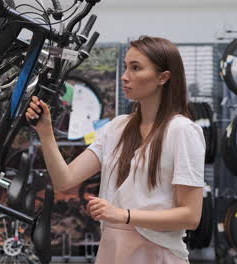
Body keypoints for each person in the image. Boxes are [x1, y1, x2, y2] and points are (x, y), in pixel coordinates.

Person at [25, 36, 205, 263]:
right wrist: (46, 132)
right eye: (126, 67)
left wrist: (123, 215)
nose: (125, 76)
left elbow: (190, 216)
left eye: (136, 68)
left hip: (157, 253)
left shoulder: (182, 131)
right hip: (112, 250)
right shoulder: (117, 128)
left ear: (163, 77)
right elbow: (65, 180)